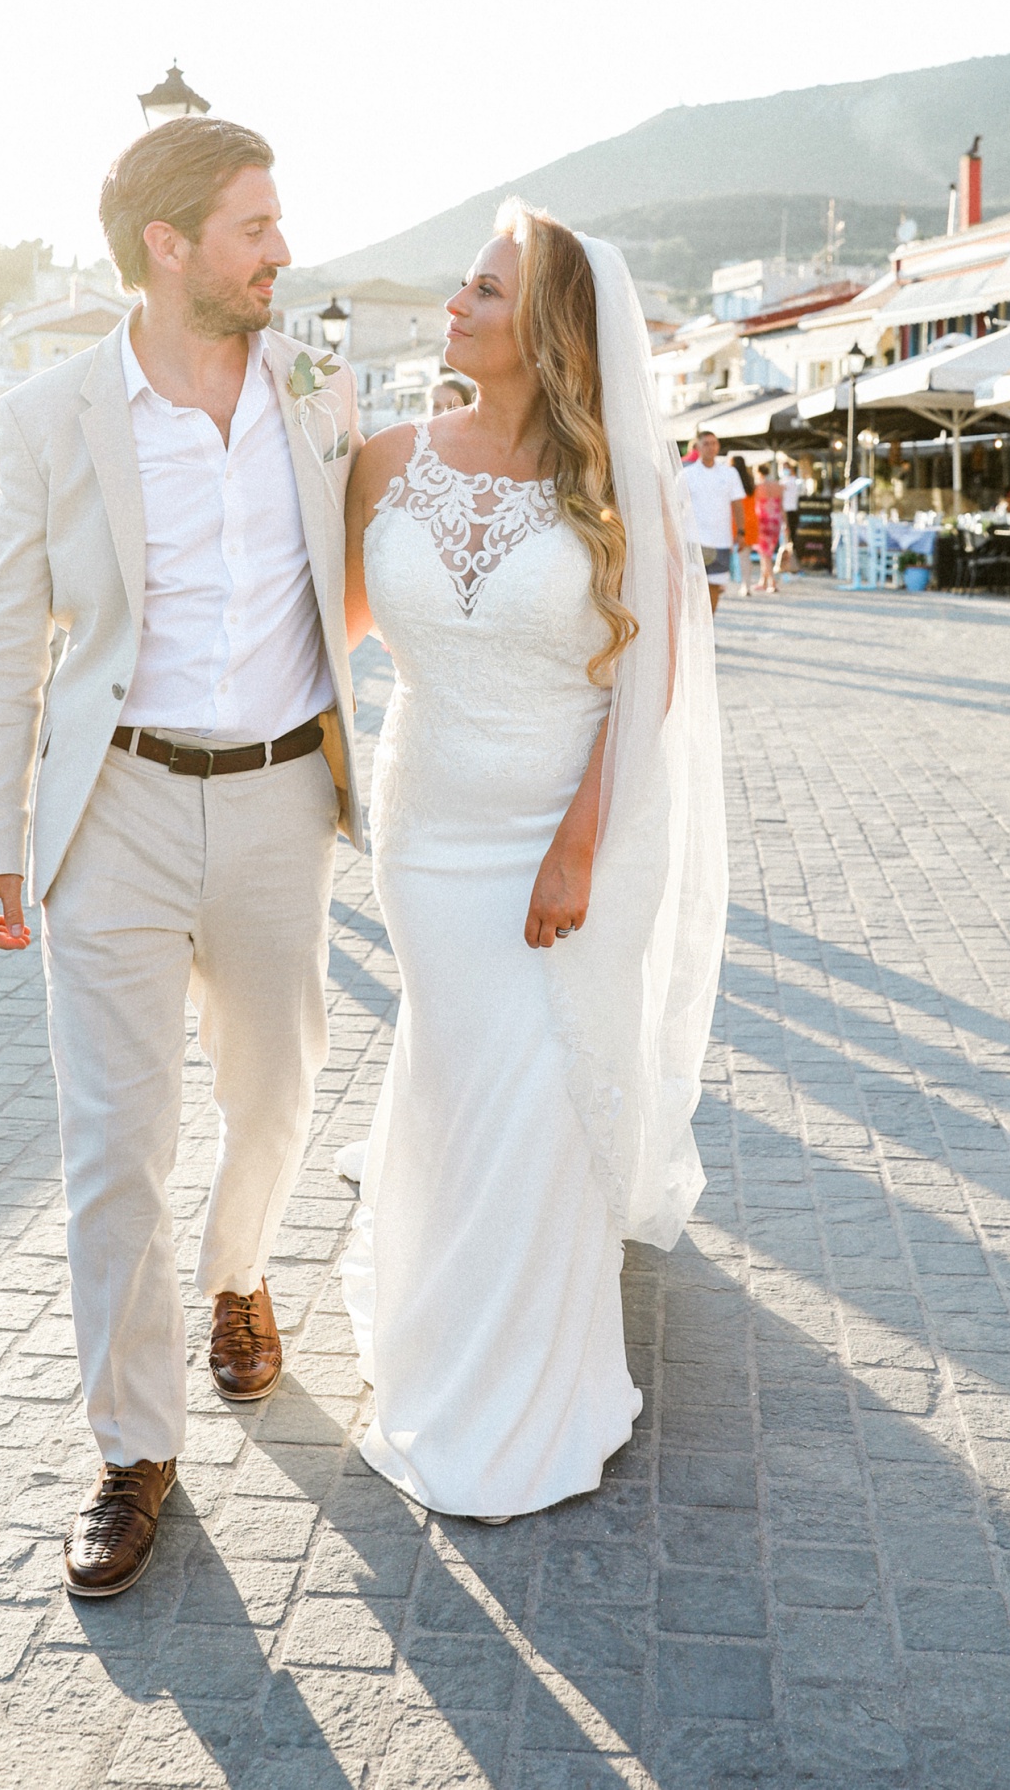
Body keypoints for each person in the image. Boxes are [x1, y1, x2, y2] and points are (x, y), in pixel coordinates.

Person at [0, 116, 362, 1600]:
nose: (281, 247)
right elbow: (9, 629)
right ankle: (134, 1445)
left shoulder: (319, 387)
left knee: (272, 1096)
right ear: (170, 245)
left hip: (275, 805)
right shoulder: (52, 411)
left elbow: (376, 566)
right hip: (110, 808)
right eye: (256, 224)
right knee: (113, 1146)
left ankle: (242, 1270)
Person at [338, 201, 725, 1520]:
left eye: (487, 291)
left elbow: (649, 678)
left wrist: (580, 839)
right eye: (463, 282)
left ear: (550, 327)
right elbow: (315, 635)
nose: (456, 303)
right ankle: (436, 1343)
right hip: (427, 830)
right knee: (457, 1074)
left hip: (568, 832)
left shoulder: (617, 478)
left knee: (543, 1091)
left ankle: (537, 1376)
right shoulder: (384, 458)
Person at [681, 429, 746, 614]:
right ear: (698, 447)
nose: (710, 447)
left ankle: (708, 633)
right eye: (706, 444)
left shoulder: (730, 473)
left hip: (720, 540)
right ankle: (693, 631)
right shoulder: (687, 474)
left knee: (715, 586)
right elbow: (675, 507)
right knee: (694, 586)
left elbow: (737, 504)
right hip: (694, 540)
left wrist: (741, 533)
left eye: (714, 443)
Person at [752, 464, 784, 594]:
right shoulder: (778, 486)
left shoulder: (758, 487)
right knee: (767, 551)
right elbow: (781, 506)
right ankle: (763, 581)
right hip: (776, 519)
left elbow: (755, 505)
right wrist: (785, 523)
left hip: (762, 519)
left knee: (764, 553)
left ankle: (772, 581)